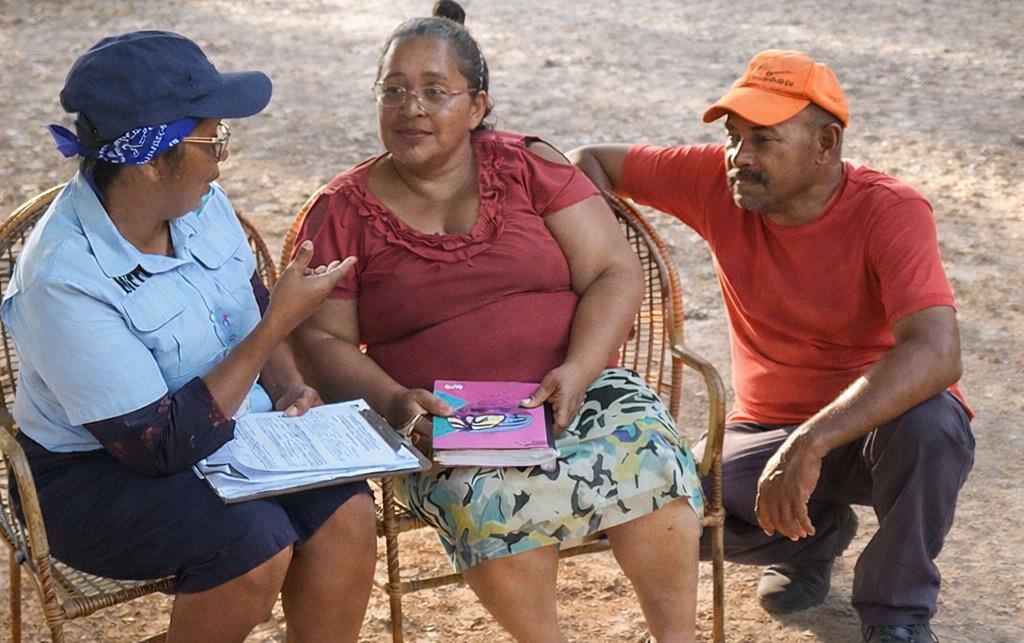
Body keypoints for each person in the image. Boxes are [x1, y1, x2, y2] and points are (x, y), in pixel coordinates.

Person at [290, 2, 704, 641]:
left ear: (477, 106)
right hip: (440, 423)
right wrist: (397, 403)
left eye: (436, 92)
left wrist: (578, 369)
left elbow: (613, 271)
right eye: (393, 91)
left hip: (577, 391)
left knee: (650, 454)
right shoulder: (342, 211)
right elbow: (319, 337)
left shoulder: (527, 165)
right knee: (487, 498)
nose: (411, 108)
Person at [569, 49, 975, 643]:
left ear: (825, 144)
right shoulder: (717, 180)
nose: (740, 156)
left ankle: (897, 614)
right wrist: (610, 274)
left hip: (877, 428)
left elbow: (938, 351)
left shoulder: (891, 210)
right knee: (656, 509)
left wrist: (809, 443)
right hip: (763, 426)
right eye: (734, 137)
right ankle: (813, 540)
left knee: (932, 427)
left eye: (762, 139)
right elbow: (588, 163)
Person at [2, 31, 376, 643]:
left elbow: (249, 302)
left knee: (347, 514)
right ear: (151, 161)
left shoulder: (200, 205)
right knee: (252, 544)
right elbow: (158, 446)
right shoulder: (62, 278)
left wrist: (288, 387)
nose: (222, 161)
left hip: (231, 435)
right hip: (94, 475)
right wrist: (277, 325)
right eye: (213, 141)